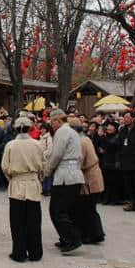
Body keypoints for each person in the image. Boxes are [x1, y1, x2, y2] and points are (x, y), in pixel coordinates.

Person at [1, 116, 45, 262]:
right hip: (33, 183)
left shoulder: (11, 145)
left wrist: (11, 179)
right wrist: (39, 177)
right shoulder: (37, 144)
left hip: (17, 184)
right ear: (30, 127)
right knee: (34, 220)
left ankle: (19, 252)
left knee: (17, 221)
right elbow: (43, 165)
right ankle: (35, 252)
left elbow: (5, 167)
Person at [46, 108, 85, 254]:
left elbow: (56, 155)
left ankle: (72, 239)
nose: (51, 125)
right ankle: (66, 238)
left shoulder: (62, 132)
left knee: (57, 210)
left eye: (52, 122)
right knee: (67, 210)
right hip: (74, 174)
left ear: (57, 120)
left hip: (65, 176)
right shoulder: (73, 132)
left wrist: (48, 171)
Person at [69, 117, 105, 245]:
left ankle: (93, 234)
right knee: (89, 208)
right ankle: (93, 233)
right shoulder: (86, 139)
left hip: (89, 178)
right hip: (92, 176)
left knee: (87, 208)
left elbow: (79, 160)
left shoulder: (81, 142)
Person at [37, 122, 53, 196]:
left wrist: (43, 154)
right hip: (41, 159)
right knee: (42, 175)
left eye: (43, 129)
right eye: (41, 129)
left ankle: (48, 189)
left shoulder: (48, 138)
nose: (42, 130)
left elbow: (50, 149)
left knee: (47, 175)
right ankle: (43, 189)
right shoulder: (41, 138)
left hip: (46, 159)